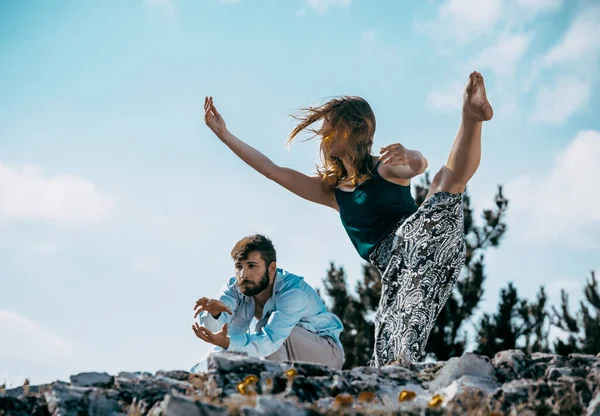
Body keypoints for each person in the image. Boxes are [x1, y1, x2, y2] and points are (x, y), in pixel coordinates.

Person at [202, 71, 493, 366]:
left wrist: (410, 155)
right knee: (388, 352)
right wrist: (224, 135)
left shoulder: (385, 169)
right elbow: (271, 170)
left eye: (330, 125)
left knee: (445, 180)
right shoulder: (333, 192)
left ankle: (472, 114)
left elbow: (419, 166)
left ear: (352, 130)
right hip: (399, 271)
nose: (323, 133)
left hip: (421, 240)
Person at [190, 234, 345, 371]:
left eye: (252, 265)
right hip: (281, 350)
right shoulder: (236, 287)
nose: (243, 275)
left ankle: (277, 392)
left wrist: (228, 342)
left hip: (327, 354)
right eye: (239, 267)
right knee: (211, 364)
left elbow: (270, 340)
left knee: (263, 330)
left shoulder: (292, 291)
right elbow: (218, 329)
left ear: (271, 269)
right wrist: (214, 313)